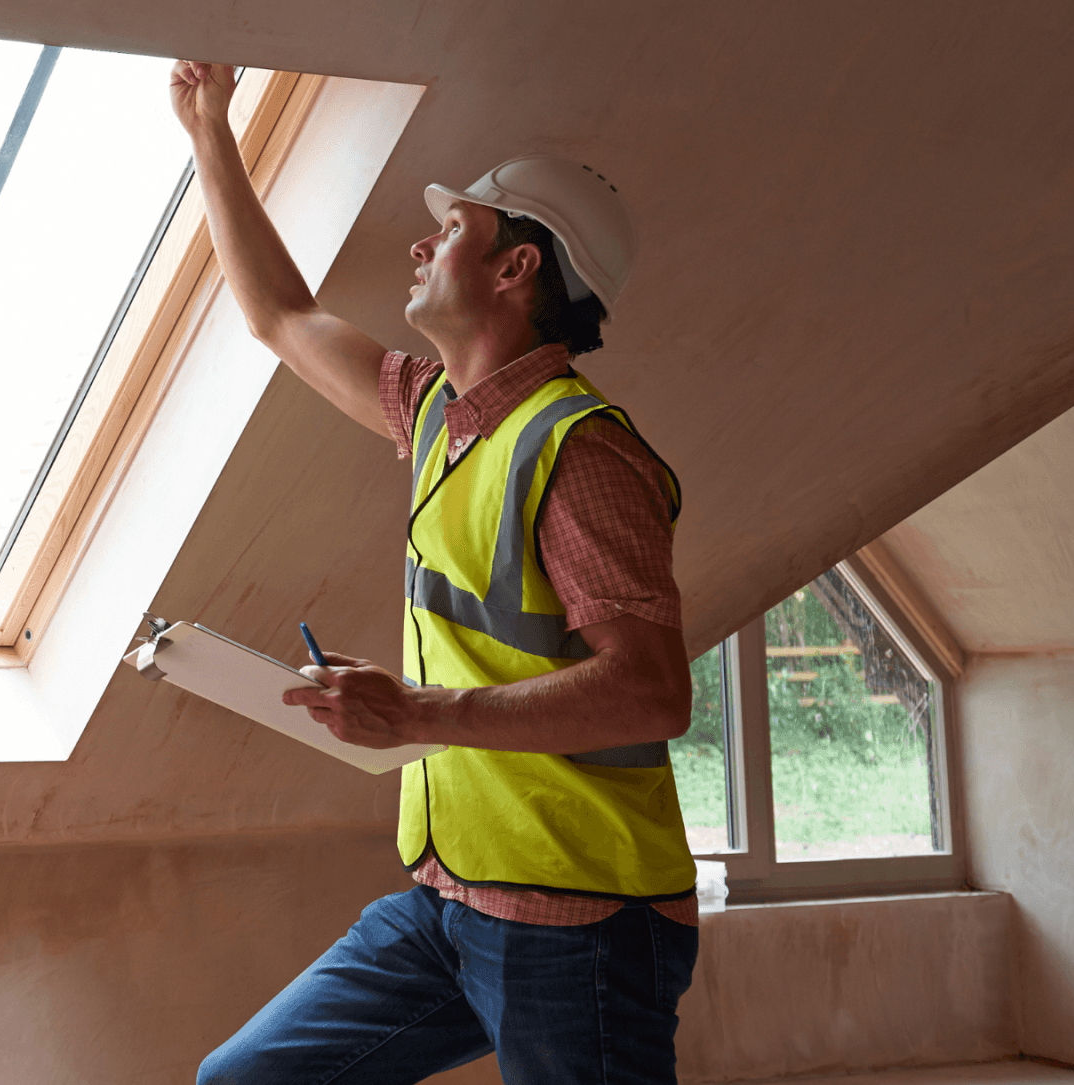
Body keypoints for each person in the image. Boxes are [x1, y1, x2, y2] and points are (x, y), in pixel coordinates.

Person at [171, 61, 700, 1085]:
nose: (420, 243)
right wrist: (209, 131)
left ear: (518, 269)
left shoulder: (579, 449)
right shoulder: (435, 418)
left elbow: (652, 688)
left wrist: (418, 712)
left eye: (453, 228)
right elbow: (281, 317)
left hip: (580, 917)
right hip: (453, 900)